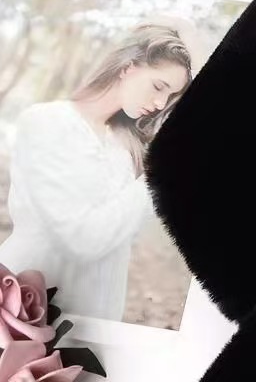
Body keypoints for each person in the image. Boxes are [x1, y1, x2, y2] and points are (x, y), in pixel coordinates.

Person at [0, 23, 192, 320]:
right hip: (28, 303)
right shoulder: (46, 122)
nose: (159, 104)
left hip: (99, 309)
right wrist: (157, 173)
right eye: (158, 87)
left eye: (169, 97)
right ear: (128, 67)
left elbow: (124, 235)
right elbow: (82, 239)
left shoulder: (126, 146)